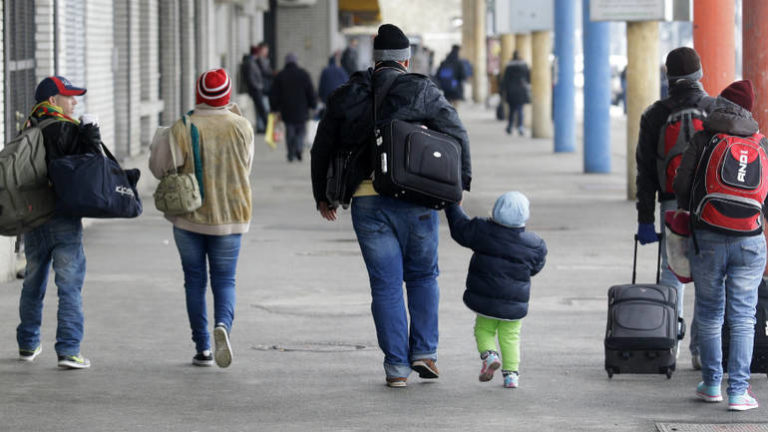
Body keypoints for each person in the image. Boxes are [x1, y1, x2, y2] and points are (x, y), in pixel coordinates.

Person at [310, 23, 471, 388]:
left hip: (367, 203)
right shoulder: (422, 90)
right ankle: (425, 353)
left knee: (385, 286)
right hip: (417, 199)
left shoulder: (346, 94)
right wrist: (460, 182)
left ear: (374, 59)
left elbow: (322, 147)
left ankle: (397, 368)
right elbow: (456, 132)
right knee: (423, 276)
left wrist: (323, 194)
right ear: (406, 60)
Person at [149, 69, 254, 368]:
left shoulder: (183, 127)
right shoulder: (241, 126)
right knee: (225, 280)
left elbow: (159, 168)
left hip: (188, 217)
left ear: (199, 94)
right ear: (227, 95)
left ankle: (203, 348)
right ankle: (223, 325)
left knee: (194, 281)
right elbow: (246, 166)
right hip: (231, 215)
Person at [674, 79, 766, 411]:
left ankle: (712, 384)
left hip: (708, 235)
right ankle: (739, 392)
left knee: (711, 313)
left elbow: (681, 184)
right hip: (749, 240)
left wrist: (692, 210)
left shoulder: (703, 138)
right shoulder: (761, 143)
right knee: (744, 317)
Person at [635, 47, 716, 369]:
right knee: (710, 278)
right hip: (709, 203)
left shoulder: (655, 114)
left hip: (671, 203)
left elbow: (645, 172)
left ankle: (668, 345)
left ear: (668, 76)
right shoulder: (715, 109)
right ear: (699, 75)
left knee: (672, 274)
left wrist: (644, 220)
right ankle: (700, 352)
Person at [17, 76, 102, 369]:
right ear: (53, 101)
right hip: (63, 217)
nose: (75, 102)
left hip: (32, 217)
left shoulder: (28, 127)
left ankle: (28, 343)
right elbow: (92, 167)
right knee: (69, 284)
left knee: (33, 280)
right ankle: (68, 350)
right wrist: (91, 133)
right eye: (69, 96)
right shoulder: (65, 129)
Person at [445, 192, 547, 388]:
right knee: (510, 336)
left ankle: (490, 355)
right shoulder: (534, 244)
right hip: (515, 302)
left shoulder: (482, 230)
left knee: (483, 329)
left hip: (486, 299)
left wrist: (453, 205)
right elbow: (535, 268)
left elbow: (460, 229)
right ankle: (511, 376)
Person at [270, 53, 317, 162]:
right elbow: (310, 91)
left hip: (287, 109)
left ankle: (291, 152)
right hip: (302, 109)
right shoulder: (304, 74)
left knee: (290, 130)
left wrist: (274, 108)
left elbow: (274, 94)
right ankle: (299, 148)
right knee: (301, 131)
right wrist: (313, 104)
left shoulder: (280, 75)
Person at [500, 51, 530, 136]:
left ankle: (510, 126)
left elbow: (505, 79)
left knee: (512, 110)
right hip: (521, 90)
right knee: (520, 110)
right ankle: (520, 126)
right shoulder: (524, 65)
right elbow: (528, 78)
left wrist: (502, 91)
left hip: (511, 90)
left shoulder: (509, 66)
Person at [241, 45, 268, 133]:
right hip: (256, 90)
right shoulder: (250, 63)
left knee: (260, 109)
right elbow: (251, 78)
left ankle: (264, 127)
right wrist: (258, 86)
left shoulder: (251, 62)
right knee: (262, 109)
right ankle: (266, 127)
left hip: (256, 89)